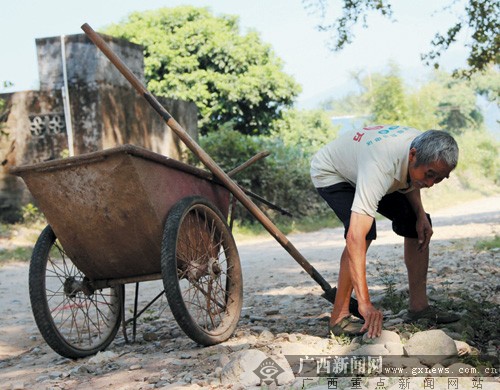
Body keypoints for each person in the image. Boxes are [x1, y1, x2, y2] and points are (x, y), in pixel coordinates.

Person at [310, 125, 460, 339]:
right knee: (364, 232)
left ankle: (419, 308)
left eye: (437, 179)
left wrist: (419, 214)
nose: (430, 184)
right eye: (429, 175)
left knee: (417, 223)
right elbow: (355, 237)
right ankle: (339, 317)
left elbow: (410, 180)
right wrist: (364, 303)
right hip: (335, 173)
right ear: (413, 155)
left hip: (369, 166)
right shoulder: (380, 165)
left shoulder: (421, 146)